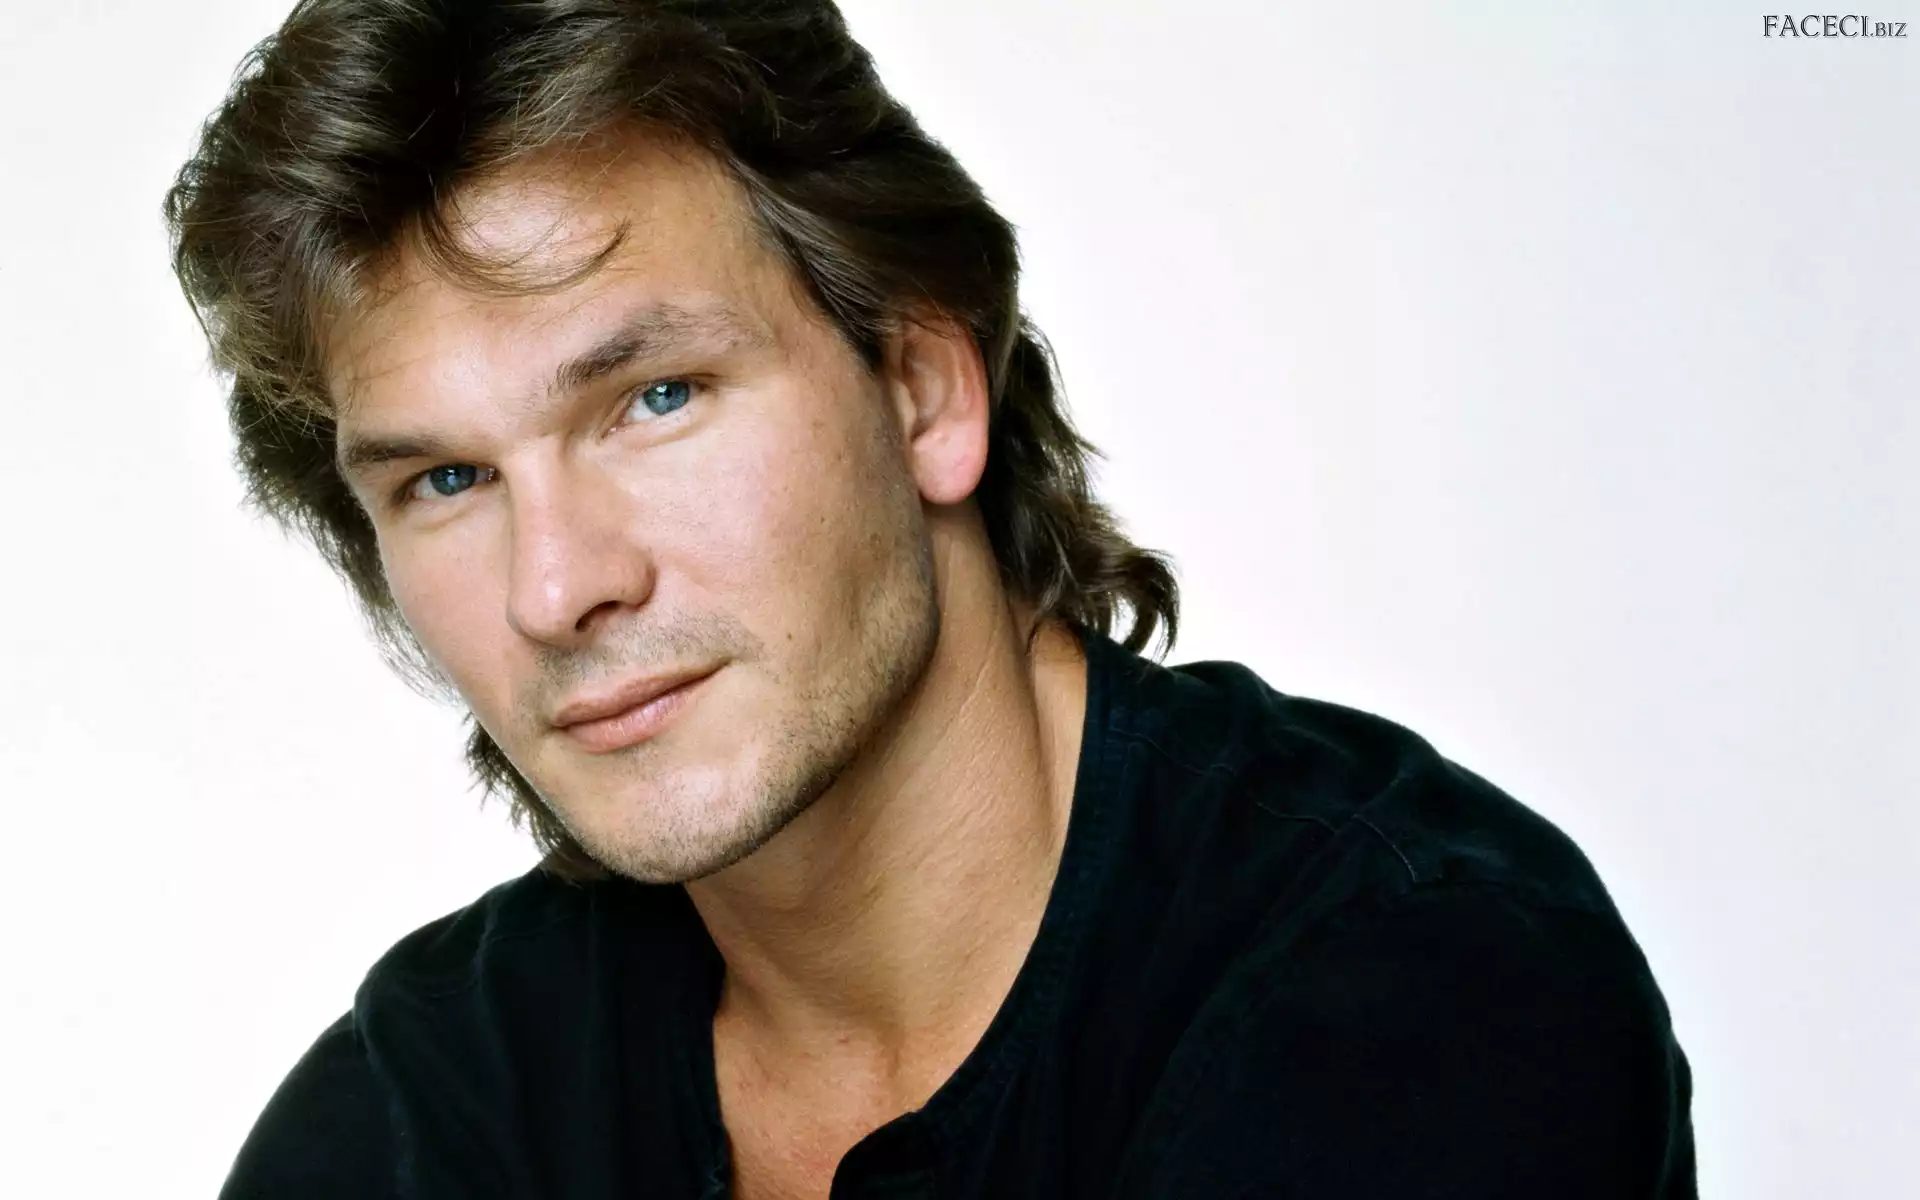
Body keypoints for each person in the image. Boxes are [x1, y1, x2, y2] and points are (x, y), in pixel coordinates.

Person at [166, 1, 1697, 1196]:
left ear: (922, 387)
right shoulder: (428, 1110)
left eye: (656, 398)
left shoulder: (1412, 978)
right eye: (446, 480)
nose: (558, 586)